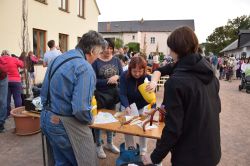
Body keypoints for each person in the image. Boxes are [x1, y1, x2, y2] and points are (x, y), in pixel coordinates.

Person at [142, 26, 221, 166]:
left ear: (175, 50)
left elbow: (173, 128)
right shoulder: (211, 75)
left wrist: (154, 157)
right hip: (211, 151)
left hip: (189, 156)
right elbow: (216, 109)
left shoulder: (176, 82)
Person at [40, 30, 106, 166]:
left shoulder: (58, 58)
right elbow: (81, 109)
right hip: (64, 124)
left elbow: (43, 91)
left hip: (46, 118)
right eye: (99, 53)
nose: (98, 57)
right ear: (93, 50)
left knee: (61, 162)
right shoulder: (84, 67)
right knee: (85, 160)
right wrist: (90, 119)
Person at [92, 38, 122, 159]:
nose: (108, 50)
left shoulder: (116, 60)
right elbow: (93, 80)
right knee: (98, 121)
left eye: (111, 48)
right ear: (101, 48)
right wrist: (108, 81)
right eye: (106, 48)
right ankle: (98, 145)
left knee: (110, 120)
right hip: (99, 96)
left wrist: (117, 77)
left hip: (113, 95)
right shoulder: (96, 62)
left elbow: (122, 75)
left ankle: (110, 143)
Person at [119, 56, 151, 156]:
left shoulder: (147, 77)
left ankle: (143, 150)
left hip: (142, 106)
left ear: (144, 70)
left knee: (143, 127)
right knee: (128, 128)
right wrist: (127, 106)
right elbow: (122, 93)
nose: (137, 74)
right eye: (134, 71)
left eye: (140, 71)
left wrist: (153, 108)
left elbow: (151, 96)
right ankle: (130, 147)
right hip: (128, 104)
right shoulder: (124, 76)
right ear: (130, 69)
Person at [1, 50, 24, 117]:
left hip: (5, 81)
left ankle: (7, 113)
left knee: (6, 98)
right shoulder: (13, 59)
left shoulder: (0, 60)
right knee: (17, 97)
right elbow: (22, 64)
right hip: (16, 81)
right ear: (9, 54)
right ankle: (18, 112)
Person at [0, 53, 8, 132]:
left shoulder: (2, 61)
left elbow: (4, 69)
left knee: (2, 101)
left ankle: (1, 124)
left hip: (2, 78)